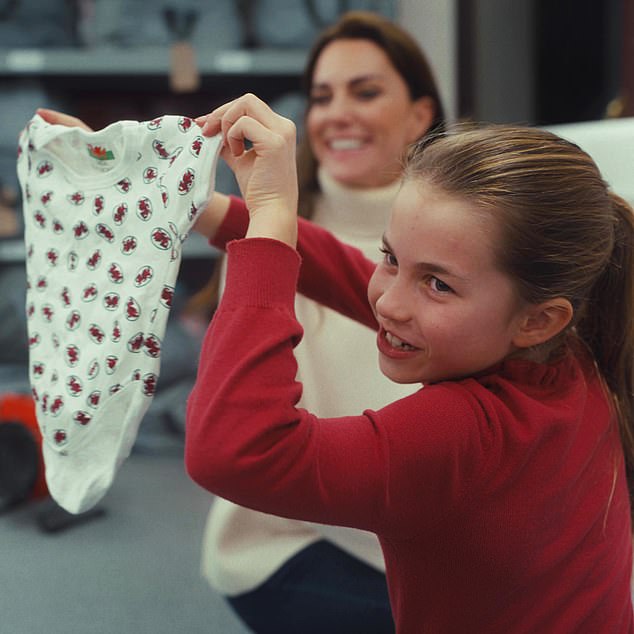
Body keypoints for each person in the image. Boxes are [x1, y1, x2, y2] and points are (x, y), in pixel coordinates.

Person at [36, 11, 444, 629]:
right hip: (296, 537)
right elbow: (235, 449)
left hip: (418, 532)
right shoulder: (270, 244)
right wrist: (127, 164)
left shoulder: (443, 247)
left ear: (421, 112)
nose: (338, 114)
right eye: (321, 96)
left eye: (366, 91)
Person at [185, 93, 634, 633]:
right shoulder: (574, 349)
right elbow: (351, 272)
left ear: (537, 319)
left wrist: (273, 225)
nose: (389, 302)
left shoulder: (462, 434)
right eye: (391, 257)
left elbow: (234, 452)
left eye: (437, 283)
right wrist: (201, 205)